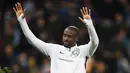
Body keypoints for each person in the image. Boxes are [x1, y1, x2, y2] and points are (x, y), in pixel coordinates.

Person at [13, 2, 99, 73]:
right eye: (64, 35)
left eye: (69, 36)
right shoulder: (54, 49)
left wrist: (89, 24)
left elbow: (95, 42)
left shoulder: (83, 51)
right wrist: (22, 21)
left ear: (76, 38)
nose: (65, 38)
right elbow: (33, 40)